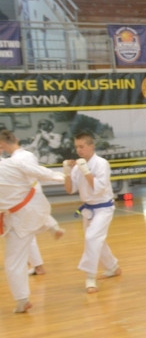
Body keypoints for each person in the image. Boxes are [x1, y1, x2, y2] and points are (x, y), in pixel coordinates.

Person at [0, 134, 66, 313]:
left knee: (14, 261)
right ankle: (53, 227)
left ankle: (22, 300)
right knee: (28, 240)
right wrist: (63, 177)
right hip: (34, 207)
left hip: (20, 217)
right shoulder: (12, 163)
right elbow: (40, 172)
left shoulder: (13, 162)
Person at [63, 132, 120, 293]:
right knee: (97, 240)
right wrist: (67, 172)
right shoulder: (77, 167)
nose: (79, 150)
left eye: (82, 146)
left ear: (91, 146)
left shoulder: (102, 164)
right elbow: (70, 190)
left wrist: (86, 170)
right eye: (76, 147)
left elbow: (99, 188)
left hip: (104, 208)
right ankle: (112, 267)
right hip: (88, 209)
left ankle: (90, 277)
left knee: (92, 238)